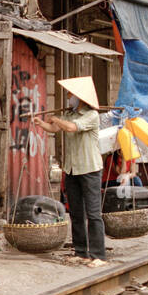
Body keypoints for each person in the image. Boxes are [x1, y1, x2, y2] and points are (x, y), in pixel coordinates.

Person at [35, 76, 106, 267]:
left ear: (80, 97)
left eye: (70, 94)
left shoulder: (91, 115)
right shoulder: (71, 113)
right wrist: (42, 124)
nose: (68, 97)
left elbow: (72, 128)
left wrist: (57, 118)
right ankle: (81, 252)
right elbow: (55, 128)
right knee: (75, 212)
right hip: (72, 169)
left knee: (93, 213)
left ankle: (99, 255)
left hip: (90, 169)